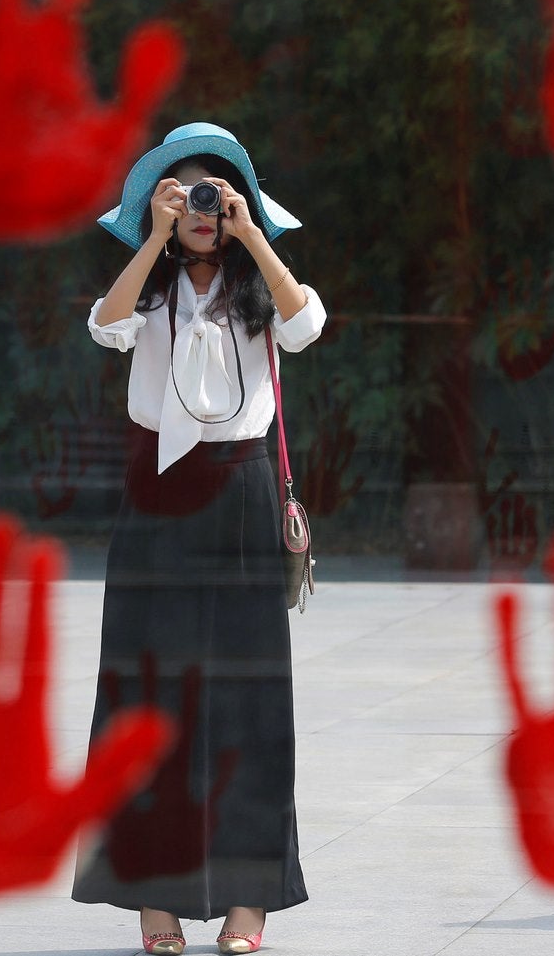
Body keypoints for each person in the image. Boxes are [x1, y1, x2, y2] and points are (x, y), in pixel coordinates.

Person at [70, 123, 325, 956]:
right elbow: (103, 325)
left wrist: (255, 234)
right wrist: (148, 239)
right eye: (187, 194)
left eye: (216, 193)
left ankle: (248, 901)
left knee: (250, 700)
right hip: (158, 503)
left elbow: (307, 324)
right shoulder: (148, 296)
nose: (204, 208)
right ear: (164, 209)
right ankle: (156, 899)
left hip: (244, 497)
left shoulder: (257, 293)